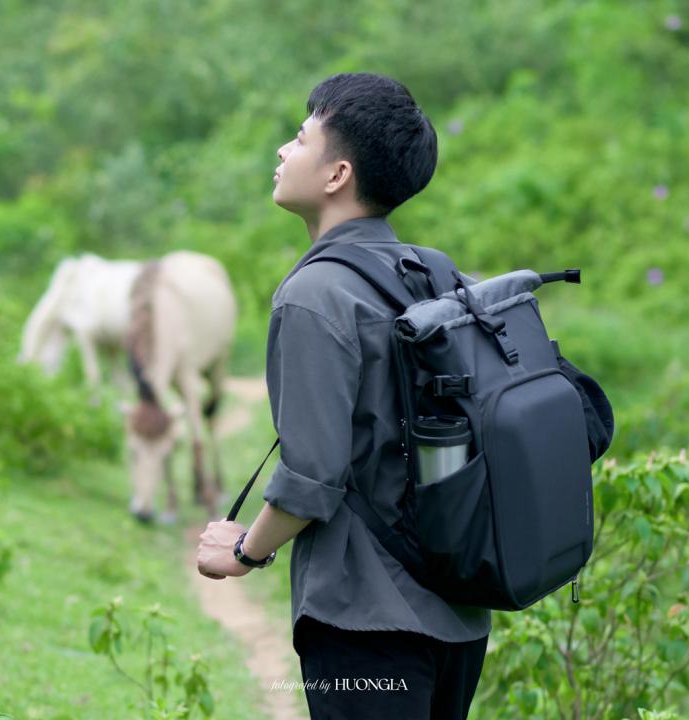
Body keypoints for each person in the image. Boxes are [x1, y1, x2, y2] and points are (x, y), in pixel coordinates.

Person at [195, 72, 489, 719]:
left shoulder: (314, 294)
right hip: (459, 614)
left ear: (337, 175)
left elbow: (311, 477)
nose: (282, 151)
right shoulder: (436, 275)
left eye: (300, 139)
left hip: (364, 620)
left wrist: (244, 551)